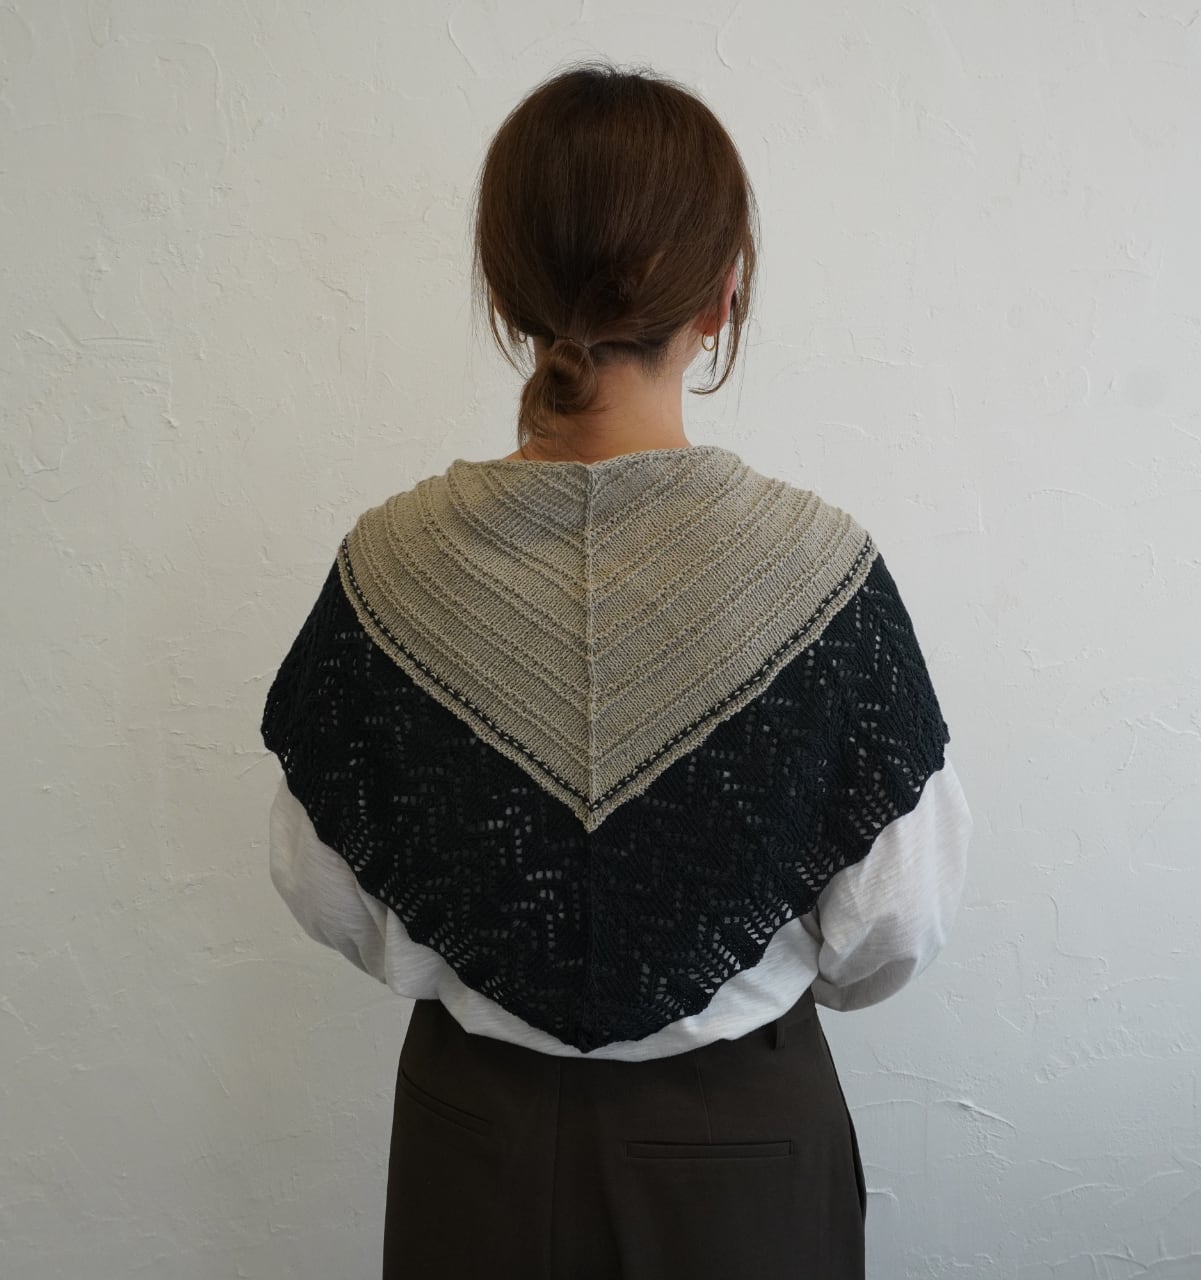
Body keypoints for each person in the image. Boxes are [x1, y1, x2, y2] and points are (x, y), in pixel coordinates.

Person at [260, 58, 973, 1280]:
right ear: (723, 294)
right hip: (744, 1152)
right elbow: (893, 923)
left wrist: (474, 947)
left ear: (504, 290)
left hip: (474, 1140)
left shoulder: (390, 569)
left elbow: (320, 883)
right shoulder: (815, 578)